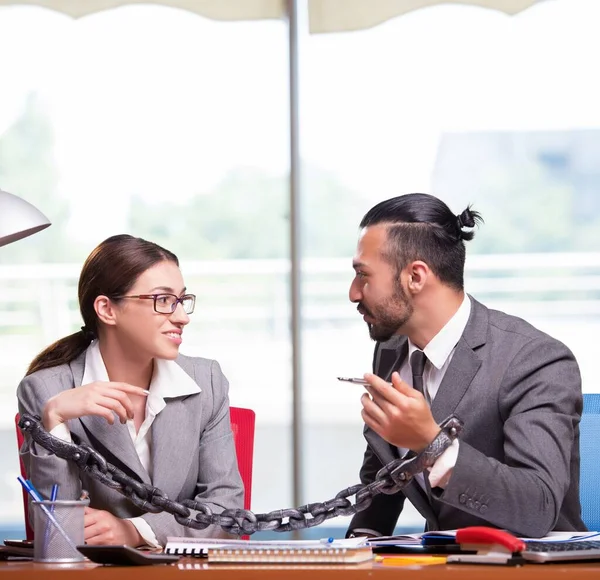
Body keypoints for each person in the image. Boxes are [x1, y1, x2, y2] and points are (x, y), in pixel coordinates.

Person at [346, 193, 585, 539]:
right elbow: (384, 481)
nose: (354, 293)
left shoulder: (534, 359)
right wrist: (352, 551)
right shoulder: (391, 348)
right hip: (448, 566)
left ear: (415, 276)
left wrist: (432, 443)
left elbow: (539, 507)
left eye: (363, 275)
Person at [17, 234, 244, 547]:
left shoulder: (207, 381)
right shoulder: (46, 390)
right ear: (107, 310)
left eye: (181, 300)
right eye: (162, 301)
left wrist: (134, 530)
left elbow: (227, 510)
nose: (182, 317)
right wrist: (54, 419)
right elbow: (54, 533)